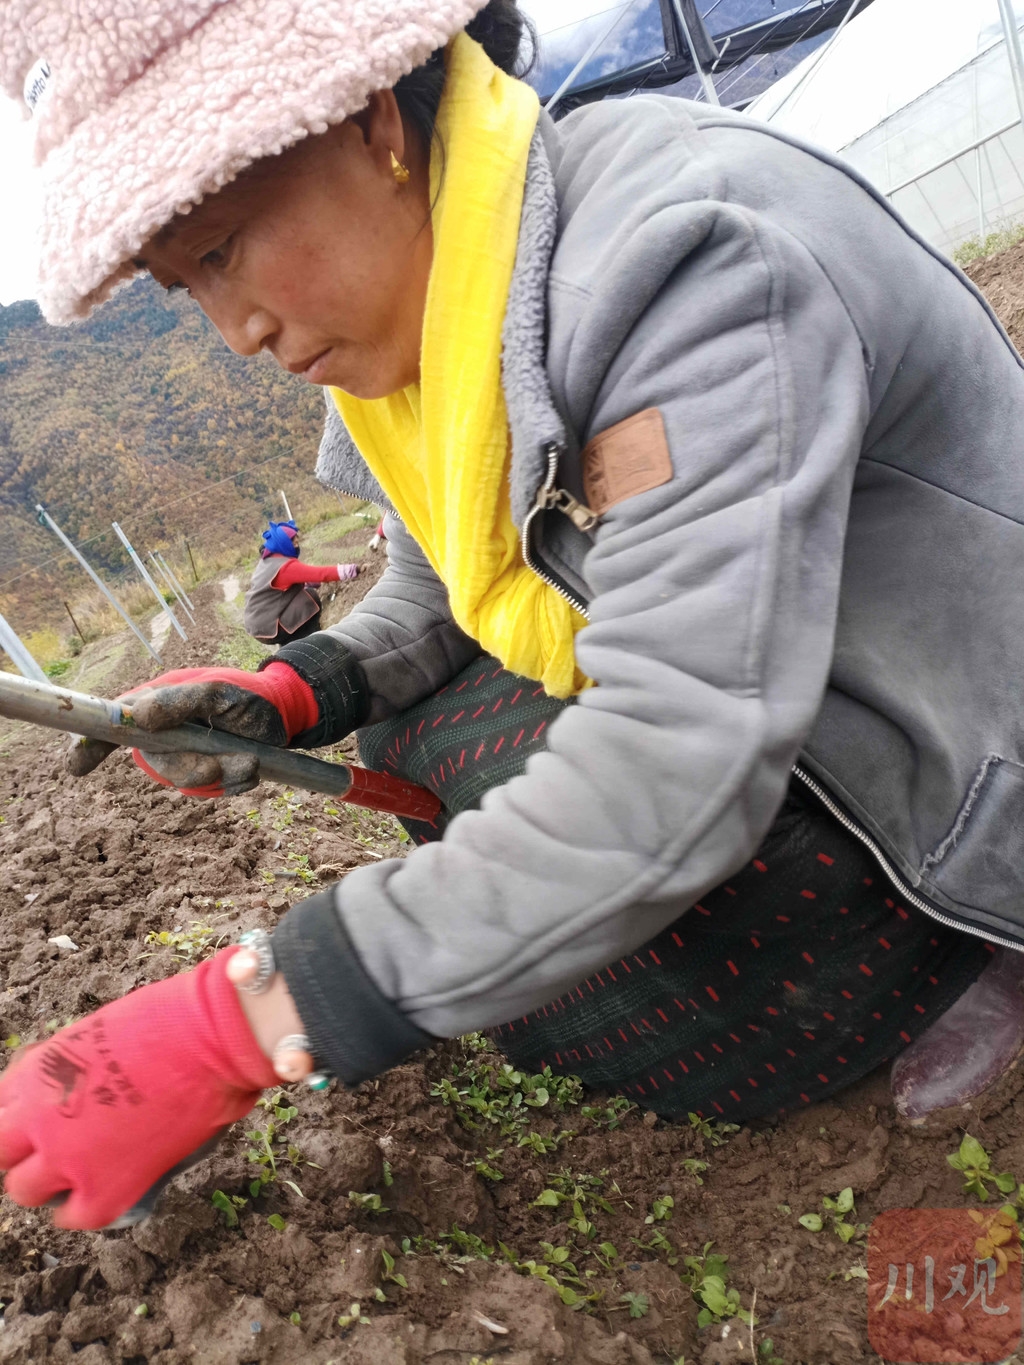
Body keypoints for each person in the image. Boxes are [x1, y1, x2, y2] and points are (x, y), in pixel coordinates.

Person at [1, 0, 1023, 1230]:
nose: (239, 335)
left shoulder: (688, 263)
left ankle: (955, 952)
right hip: (789, 685)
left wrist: (248, 1018)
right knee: (419, 739)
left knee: (608, 948)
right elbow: (440, 584)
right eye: (186, 288)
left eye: (222, 251)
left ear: (370, 120)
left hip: (953, 754)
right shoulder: (430, 319)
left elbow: (676, 751)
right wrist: (298, 691)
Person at [243, 518, 360, 645]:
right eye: (292, 540)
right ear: (282, 543)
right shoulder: (285, 566)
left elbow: (285, 584)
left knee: (302, 592)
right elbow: (321, 574)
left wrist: (307, 581)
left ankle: (289, 643)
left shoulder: (268, 560)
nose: (296, 543)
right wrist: (353, 570)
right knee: (309, 597)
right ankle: (310, 640)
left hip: (258, 625)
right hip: (268, 628)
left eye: (296, 539)